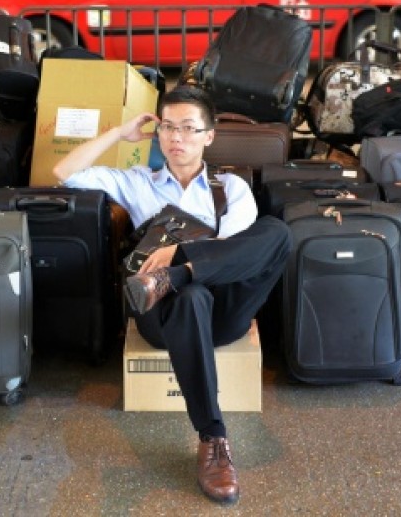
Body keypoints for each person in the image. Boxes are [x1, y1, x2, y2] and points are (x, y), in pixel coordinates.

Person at [52, 86, 292, 505]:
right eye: (167, 128)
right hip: (163, 313)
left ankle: (176, 274)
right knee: (190, 297)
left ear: (209, 136)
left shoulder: (230, 187)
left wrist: (177, 259)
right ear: (157, 132)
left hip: (225, 310)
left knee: (277, 232)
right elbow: (64, 172)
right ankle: (214, 439)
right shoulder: (138, 182)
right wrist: (118, 135)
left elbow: (234, 255)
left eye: (187, 128)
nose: (176, 138)